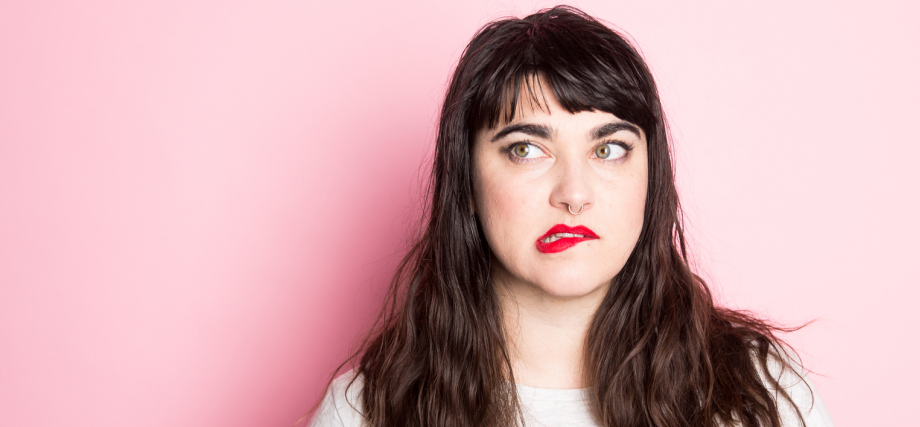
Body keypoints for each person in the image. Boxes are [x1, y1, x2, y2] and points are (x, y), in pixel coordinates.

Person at [309, 6, 833, 427]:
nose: (574, 194)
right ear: (465, 180)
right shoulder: (367, 411)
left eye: (609, 149)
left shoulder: (763, 399)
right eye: (525, 150)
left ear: (652, 179)